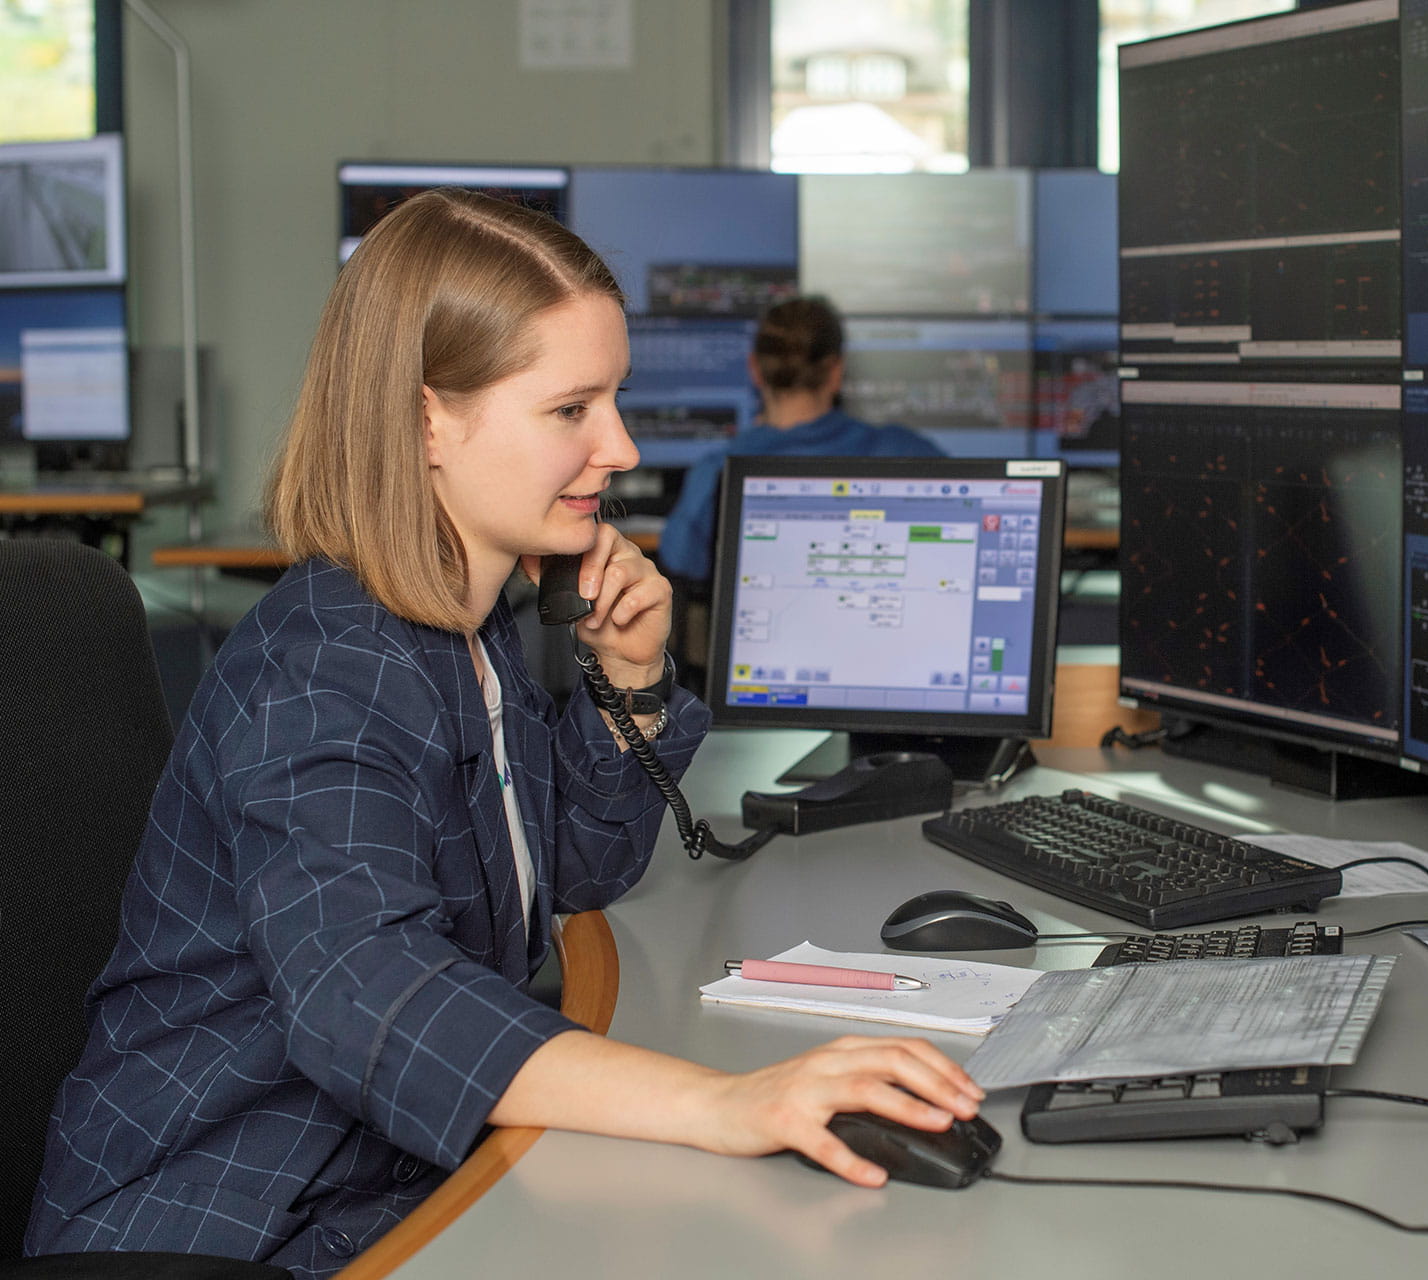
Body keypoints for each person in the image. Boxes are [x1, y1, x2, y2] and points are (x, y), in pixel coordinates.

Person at [28, 191, 982, 1278]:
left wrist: (628, 677)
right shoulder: (328, 663)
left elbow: (572, 868)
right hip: (230, 1219)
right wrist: (723, 1100)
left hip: (376, 1178)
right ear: (430, 418)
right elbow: (364, 990)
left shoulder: (466, 627)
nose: (617, 446)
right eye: (572, 407)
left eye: (614, 399)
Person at [655, 295, 943, 582]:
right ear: (835, 370)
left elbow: (680, 562)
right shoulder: (906, 452)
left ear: (755, 370)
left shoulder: (718, 470)